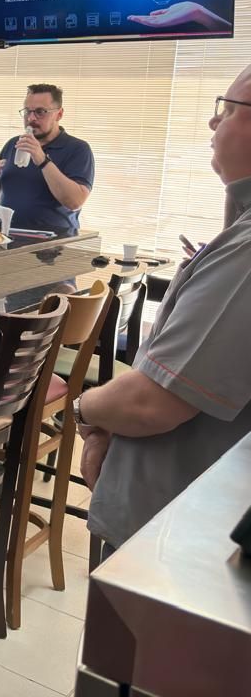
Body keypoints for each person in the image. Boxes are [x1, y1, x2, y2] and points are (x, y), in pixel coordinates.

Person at [77, 64, 251, 557]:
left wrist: (84, 410)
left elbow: (150, 405)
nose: (214, 122)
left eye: (228, 109)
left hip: (173, 535)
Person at [0, 83, 94, 235]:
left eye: (40, 112)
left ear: (59, 114)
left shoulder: (77, 149)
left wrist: (43, 160)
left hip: (53, 244)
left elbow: (75, 202)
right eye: (27, 111)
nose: (31, 118)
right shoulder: (13, 144)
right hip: (6, 238)